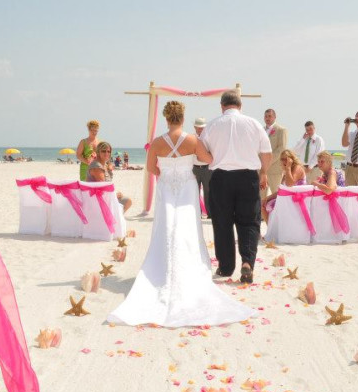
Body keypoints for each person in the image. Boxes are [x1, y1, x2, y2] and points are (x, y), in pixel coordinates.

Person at [107, 101, 255, 327]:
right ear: (182, 118)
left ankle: (162, 269)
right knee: (186, 228)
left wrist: (166, 174)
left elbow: (150, 168)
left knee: (166, 227)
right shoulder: (192, 140)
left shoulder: (157, 142)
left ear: (167, 118)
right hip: (186, 187)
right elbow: (209, 160)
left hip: (167, 187)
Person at [201, 89, 272, 284]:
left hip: (221, 177)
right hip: (248, 177)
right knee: (249, 221)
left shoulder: (212, 125)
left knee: (222, 223)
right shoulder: (254, 124)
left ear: (222, 106)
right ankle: (247, 262)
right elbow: (266, 152)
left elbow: (202, 152)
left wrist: (213, 159)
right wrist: (264, 172)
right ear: (240, 106)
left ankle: (225, 267)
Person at [86, 141, 132, 213]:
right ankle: (114, 220)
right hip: (97, 200)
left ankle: (115, 220)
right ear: (98, 152)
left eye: (108, 151)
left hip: (103, 196)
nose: (106, 153)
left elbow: (106, 184)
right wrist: (114, 194)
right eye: (104, 151)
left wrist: (109, 170)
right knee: (128, 201)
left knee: (127, 201)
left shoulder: (104, 164)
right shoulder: (96, 166)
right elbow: (103, 187)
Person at [262, 149, 306, 222]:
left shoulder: (297, 168)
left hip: (295, 200)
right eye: (282, 159)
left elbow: (289, 184)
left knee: (271, 206)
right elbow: (281, 191)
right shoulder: (286, 172)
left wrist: (288, 167)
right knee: (263, 204)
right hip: (286, 199)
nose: (284, 161)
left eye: (286, 159)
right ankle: (271, 229)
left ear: (291, 159)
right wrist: (267, 198)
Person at [262, 108, 288, 196]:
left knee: (276, 196)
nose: (267, 118)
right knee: (261, 197)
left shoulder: (281, 130)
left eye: (269, 116)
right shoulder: (261, 130)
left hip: (275, 169)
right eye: (265, 116)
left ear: (275, 117)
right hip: (262, 170)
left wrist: (268, 162)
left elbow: (281, 148)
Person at [192, 117, 212, 218]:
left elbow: (212, 153)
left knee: (208, 191)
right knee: (195, 191)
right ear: (195, 127)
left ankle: (209, 213)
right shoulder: (191, 139)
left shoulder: (209, 139)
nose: (200, 130)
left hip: (207, 168)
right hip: (194, 168)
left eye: (202, 128)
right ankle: (196, 213)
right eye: (198, 127)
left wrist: (203, 157)